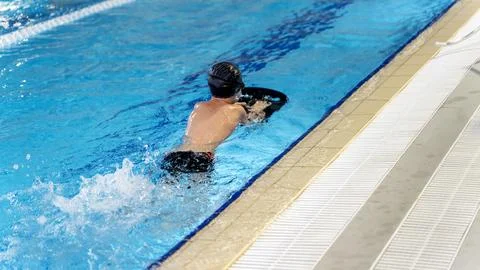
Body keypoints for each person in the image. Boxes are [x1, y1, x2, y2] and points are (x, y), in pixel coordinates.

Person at [162, 62, 269, 173]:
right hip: (202, 157)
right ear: (238, 88)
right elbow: (254, 121)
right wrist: (259, 107)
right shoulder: (238, 111)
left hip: (175, 154)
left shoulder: (199, 105)